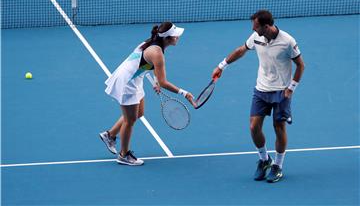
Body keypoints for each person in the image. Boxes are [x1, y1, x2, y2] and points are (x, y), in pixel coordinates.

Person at [212, 10, 305, 182]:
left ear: (267, 26)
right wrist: (221, 66)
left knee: (279, 128)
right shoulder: (256, 36)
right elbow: (242, 50)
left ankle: (278, 165)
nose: (253, 29)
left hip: (280, 91)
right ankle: (264, 160)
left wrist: (291, 88)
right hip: (261, 89)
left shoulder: (287, 41)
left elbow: (300, 65)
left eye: (256, 26)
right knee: (254, 127)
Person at [100, 22, 196, 166]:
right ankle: (123, 155)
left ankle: (110, 135)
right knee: (130, 120)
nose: (178, 38)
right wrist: (184, 93)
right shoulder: (157, 53)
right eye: (176, 36)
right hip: (127, 83)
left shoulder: (154, 43)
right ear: (168, 38)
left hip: (135, 79)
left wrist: (155, 81)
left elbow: (146, 64)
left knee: (139, 113)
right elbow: (164, 82)